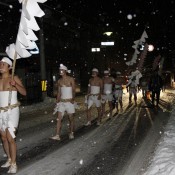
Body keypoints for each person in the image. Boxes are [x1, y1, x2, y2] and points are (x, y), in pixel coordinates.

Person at [0, 57, 26, 174]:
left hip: (13, 111)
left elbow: (24, 92)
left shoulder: (13, 78)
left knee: (10, 138)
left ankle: (14, 164)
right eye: (0, 64)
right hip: (1, 112)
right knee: (4, 137)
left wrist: (15, 84)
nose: (1, 66)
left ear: (10, 67)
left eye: (3, 64)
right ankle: (10, 159)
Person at [51, 64, 75, 140]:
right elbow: (59, 92)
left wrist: (72, 99)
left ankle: (71, 132)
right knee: (59, 118)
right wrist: (57, 102)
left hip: (69, 102)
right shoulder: (59, 81)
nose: (60, 71)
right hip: (62, 102)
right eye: (59, 70)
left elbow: (74, 90)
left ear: (65, 71)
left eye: (62, 70)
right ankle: (57, 135)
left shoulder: (71, 79)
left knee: (70, 118)